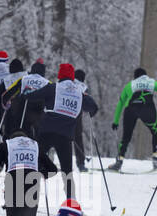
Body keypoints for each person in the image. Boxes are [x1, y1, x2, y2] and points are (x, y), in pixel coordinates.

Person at [18, 63, 98, 200]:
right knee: (67, 173)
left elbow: (31, 96)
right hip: (65, 137)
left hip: (46, 133)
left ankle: (22, 196)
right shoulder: (79, 93)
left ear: (60, 75)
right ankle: (71, 203)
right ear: (72, 77)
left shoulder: (53, 88)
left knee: (33, 163)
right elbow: (94, 107)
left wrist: (25, 93)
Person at [111, 67, 157, 170]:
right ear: (145, 75)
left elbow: (120, 103)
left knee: (126, 137)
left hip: (130, 109)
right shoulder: (151, 82)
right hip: (147, 108)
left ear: (135, 76)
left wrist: (115, 121)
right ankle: (156, 159)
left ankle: (119, 160)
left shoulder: (130, 85)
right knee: (156, 132)